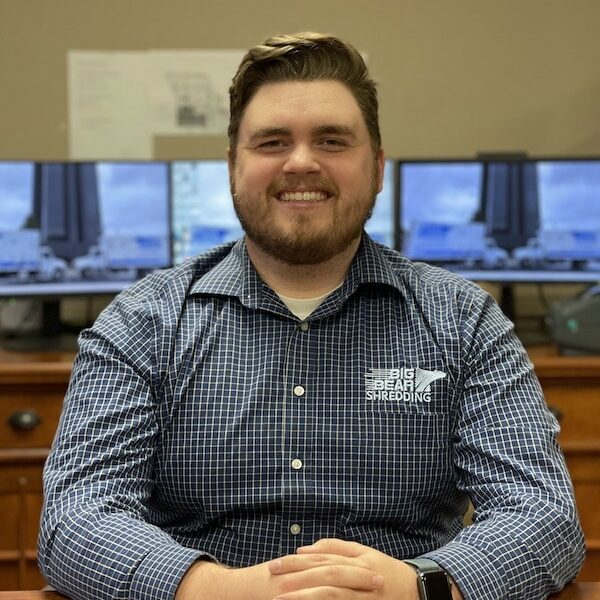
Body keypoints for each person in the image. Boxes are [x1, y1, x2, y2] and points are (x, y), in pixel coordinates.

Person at [38, 32, 585, 600]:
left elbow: (543, 514)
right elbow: (74, 521)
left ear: (376, 166)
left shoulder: (464, 320)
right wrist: (227, 591)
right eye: (272, 142)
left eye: (331, 140)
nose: (301, 162)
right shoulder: (143, 324)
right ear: (232, 166)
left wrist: (415, 586)